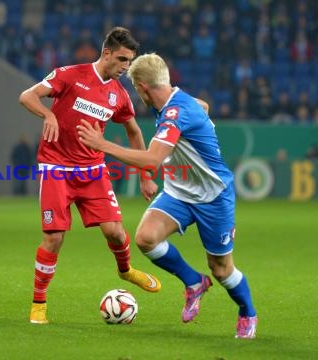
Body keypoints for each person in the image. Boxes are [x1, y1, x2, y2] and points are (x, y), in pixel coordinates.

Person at [77, 53, 257, 339]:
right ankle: (194, 282)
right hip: (179, 192)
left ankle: (247, 312)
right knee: (146, 238)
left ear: (142, 88)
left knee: (221, 269)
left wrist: (102, 144)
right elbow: (203, 105)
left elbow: (151, 161)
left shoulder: (176, 112)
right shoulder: (176, 100)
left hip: (213, 197)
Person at [19, 27, 161, 325]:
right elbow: (27, 96)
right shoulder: (69, 75)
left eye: (130, 61)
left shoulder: (119, 94)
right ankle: (39, 303)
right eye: (122, 59)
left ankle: (125, 270)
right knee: (54, 238)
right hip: (56, 167)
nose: (126, 66)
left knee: (117, 233)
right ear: (106, 52)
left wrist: (146, 175)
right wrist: (48, 114)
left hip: (93, 171)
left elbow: (134, 132)